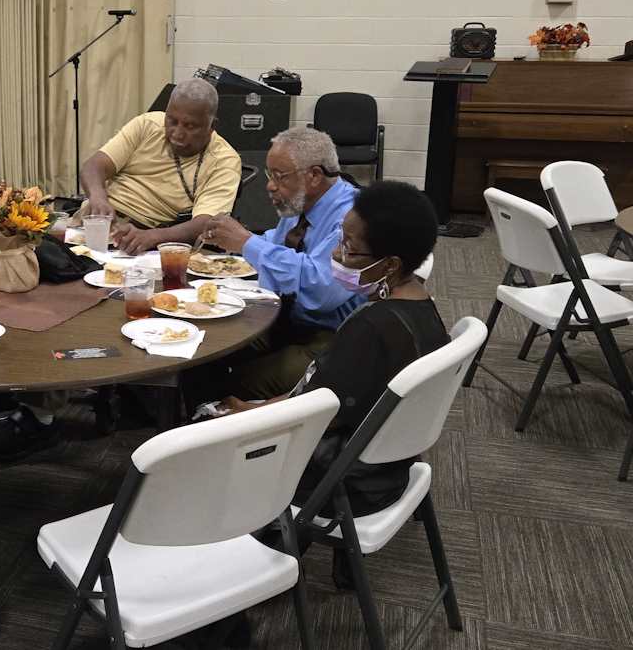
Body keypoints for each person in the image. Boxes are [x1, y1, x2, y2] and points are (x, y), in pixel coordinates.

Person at [213, 180, 445, 589]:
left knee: (200, 433)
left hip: (340, 482)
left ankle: (230, 576)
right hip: (387, 467)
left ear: (390, 265)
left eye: (350, 248)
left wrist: (246, 412)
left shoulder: (368, 330)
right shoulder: (424, 311)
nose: (337, 254)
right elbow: (321, 394)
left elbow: (309, 412)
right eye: (340, 239)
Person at [198, 126, 364, 400]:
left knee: (231, 381)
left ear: (314, 175)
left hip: (328, 337)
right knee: (207, 345)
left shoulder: (351, 218)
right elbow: (276, 243)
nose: (270, 185)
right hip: (284, 317)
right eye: (269, 174)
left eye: (279, 176)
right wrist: (229, 245)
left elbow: (321, 288)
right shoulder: (299, 204)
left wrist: (246, 242)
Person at [79, 77, 242, 255]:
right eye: (172, 121)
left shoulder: (224, 160)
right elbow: (94, 166)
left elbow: (206, 223)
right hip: (98, 224)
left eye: (190, 126)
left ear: (211, 126)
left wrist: (152, 236)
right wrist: (97, 197)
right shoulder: (147, 125)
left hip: (149, 237)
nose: (177, 133)